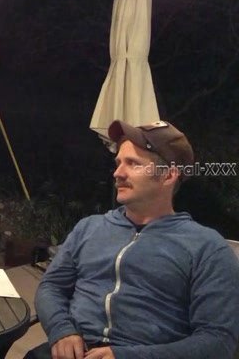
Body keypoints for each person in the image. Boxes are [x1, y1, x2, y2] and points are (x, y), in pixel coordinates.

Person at [31, 120, 239, 359]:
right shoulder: (89, 228)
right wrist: (61, 330)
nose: (118, 173)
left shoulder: (206, 248)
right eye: (118, 162)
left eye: (133, 163)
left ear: (168, 175)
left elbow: (218, 340)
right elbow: (51, 286)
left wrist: (126, 356)